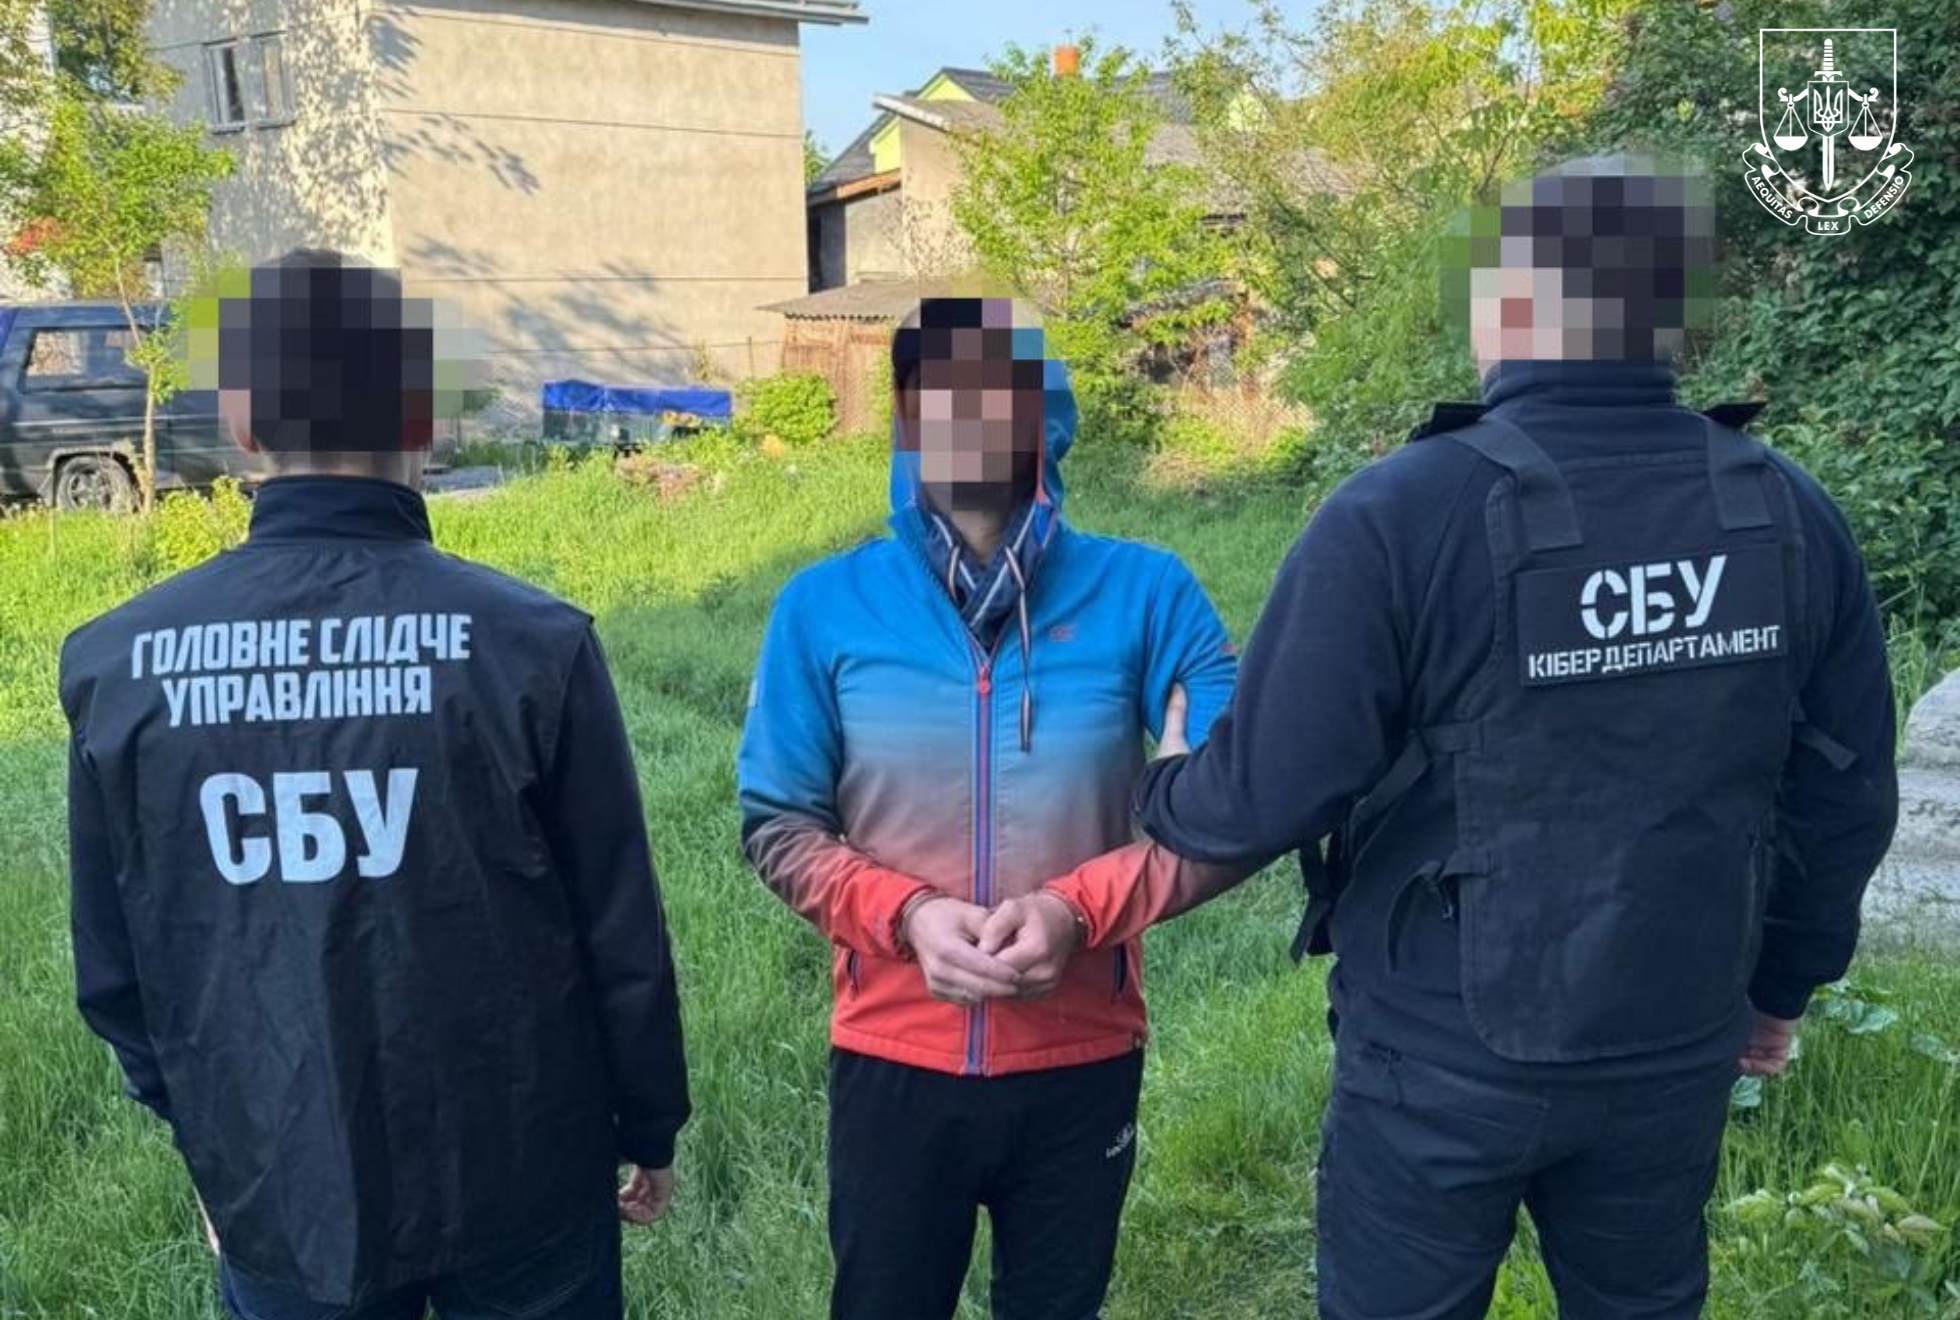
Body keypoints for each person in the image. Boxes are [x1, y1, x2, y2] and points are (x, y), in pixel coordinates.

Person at [1111, 158, 1899, 1317]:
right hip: (1677, 1031)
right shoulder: (1784, 510)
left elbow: (1263, 795)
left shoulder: (1400, 510)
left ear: (1507, 301)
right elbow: (1846, 796)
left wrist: (1169, 781)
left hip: (1439, 1056)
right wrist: (1782, 983)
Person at [59, 249, 689, 1320]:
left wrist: (212, 1136)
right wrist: (648, 1122)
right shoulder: (532, 645)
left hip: (278, 1174)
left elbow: (115, 970)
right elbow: (619, 934)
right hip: (526, 1165)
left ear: (243, 422)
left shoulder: (118, 664)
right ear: (425, 415)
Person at [736, 296, 1239, 1320]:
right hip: (892, 1055)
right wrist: (907, 916)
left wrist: (1078, 911)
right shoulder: (822, 607)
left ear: (1040, 415)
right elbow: (777, 826)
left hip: (1080, 1059)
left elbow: (1237, 811)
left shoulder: (1149, 594)